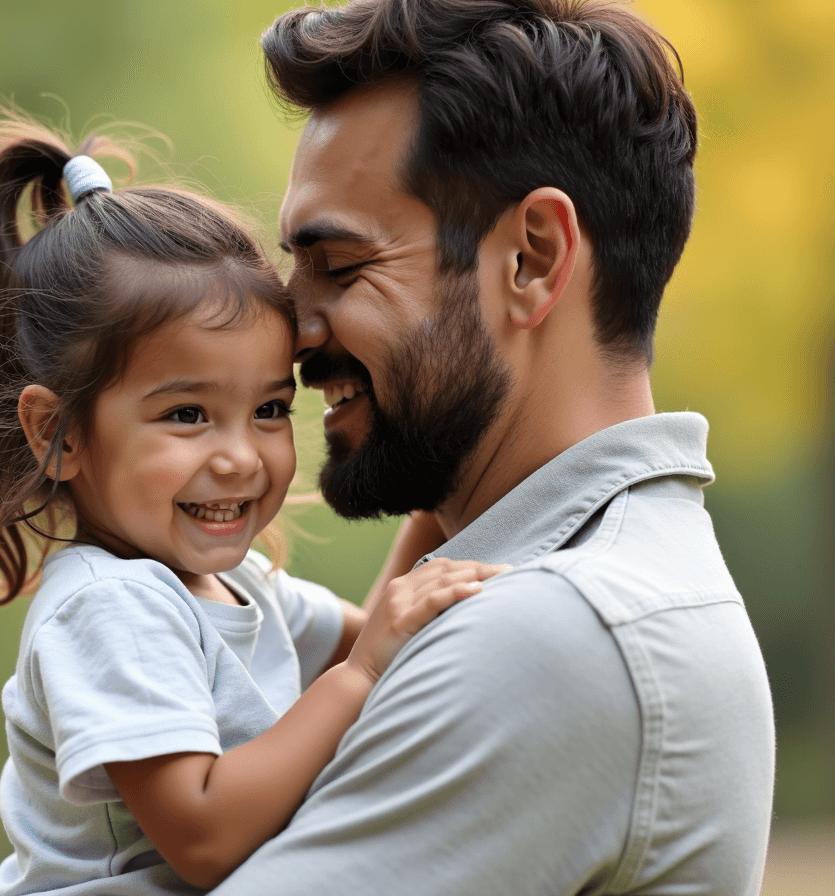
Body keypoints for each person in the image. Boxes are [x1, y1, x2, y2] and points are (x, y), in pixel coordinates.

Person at [211, 0, 776, 893]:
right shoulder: (602, 587)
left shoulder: (556, 636)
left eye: (342, 265)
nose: (290, 331)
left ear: (533, 258)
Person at [0, 110, 502, 894]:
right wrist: (359, 675)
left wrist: (437, 508)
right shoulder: (110, 605)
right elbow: (205, 834)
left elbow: (386, 630)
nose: (241, 456)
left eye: (271, 410)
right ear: (59, 433)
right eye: (186, 415)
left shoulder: (238, 584)